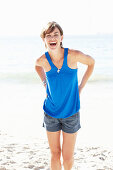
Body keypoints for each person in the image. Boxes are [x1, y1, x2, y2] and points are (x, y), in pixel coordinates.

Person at [35, 21, 95, 170]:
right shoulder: (42, 60)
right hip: (50, 112)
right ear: (44, 40)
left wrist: (80, 87)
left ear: (61, 37)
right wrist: (44, 82)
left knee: (67, 158)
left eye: (55, 34)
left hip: (71, 112)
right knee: (55, 154)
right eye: (48, 35)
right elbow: (37, 66)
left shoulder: (73, 56)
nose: (52, 38)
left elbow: (91, 63)